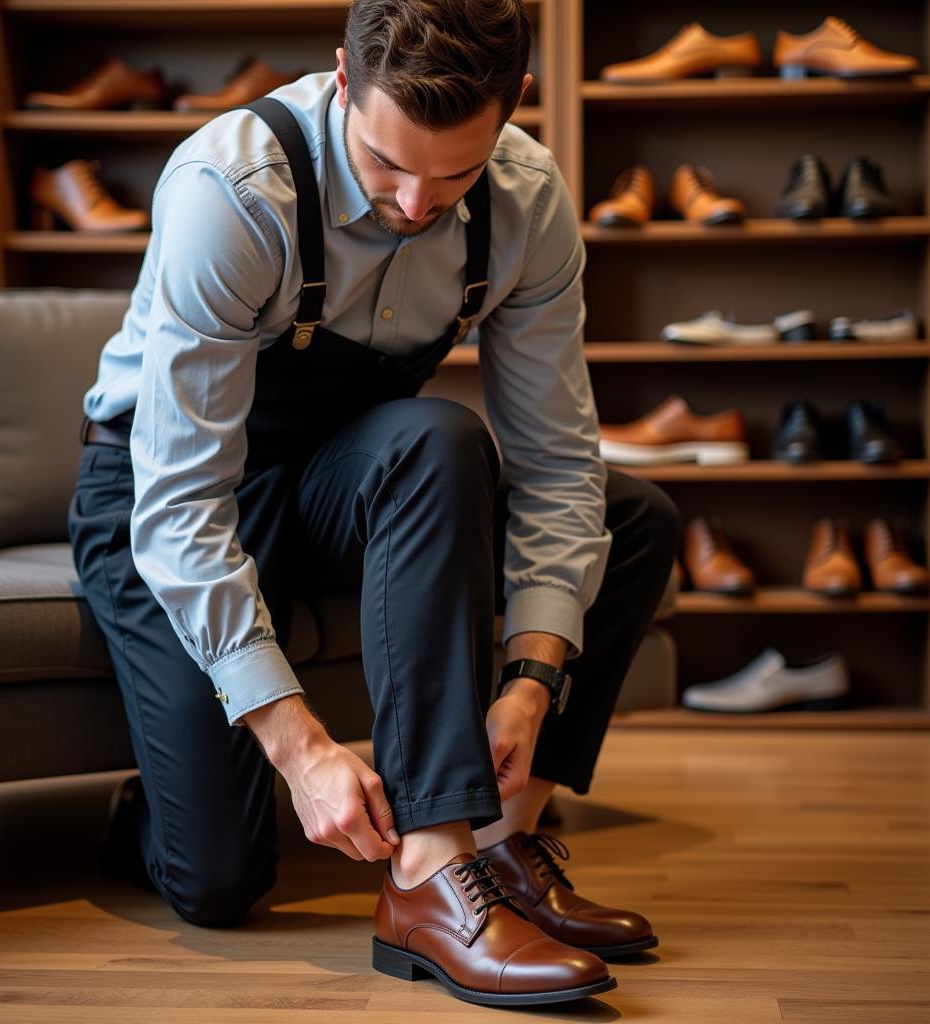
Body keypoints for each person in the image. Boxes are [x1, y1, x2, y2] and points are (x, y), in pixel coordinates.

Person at [68, 0, 679, 1007]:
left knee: (609, 504)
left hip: (340, 479)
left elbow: (559, 463)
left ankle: (473, 858)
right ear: (344, 85)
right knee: (218, 880)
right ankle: (166, 796)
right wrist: (302, 751)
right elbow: (180, 499)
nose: (411, 201)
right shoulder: (236, 186)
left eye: (452, 174)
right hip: (166, 493)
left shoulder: (527, 198)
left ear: (512, 105)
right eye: (387, 163)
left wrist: (531, 676)